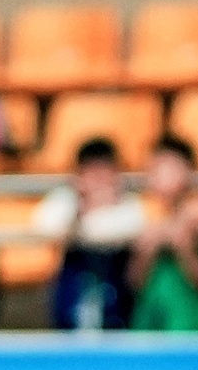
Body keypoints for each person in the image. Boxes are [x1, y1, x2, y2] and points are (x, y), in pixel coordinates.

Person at [33, 134, 146, 330]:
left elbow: (129, 232)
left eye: (105, 171)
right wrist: (86, 209)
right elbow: (49, 231)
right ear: (79, 174)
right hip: (74, 289)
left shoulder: (129, 204)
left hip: (114, 293)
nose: (100, 180)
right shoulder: (64, 200)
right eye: (93, 172)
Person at [127, 135, 198, 332]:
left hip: (192, 326)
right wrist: (147, 251)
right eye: (156, 169)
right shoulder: (139, 213)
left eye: (171, 169)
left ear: (188, 172)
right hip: (148, 327)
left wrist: (185, 248)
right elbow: (133, 284)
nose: (163, 176)